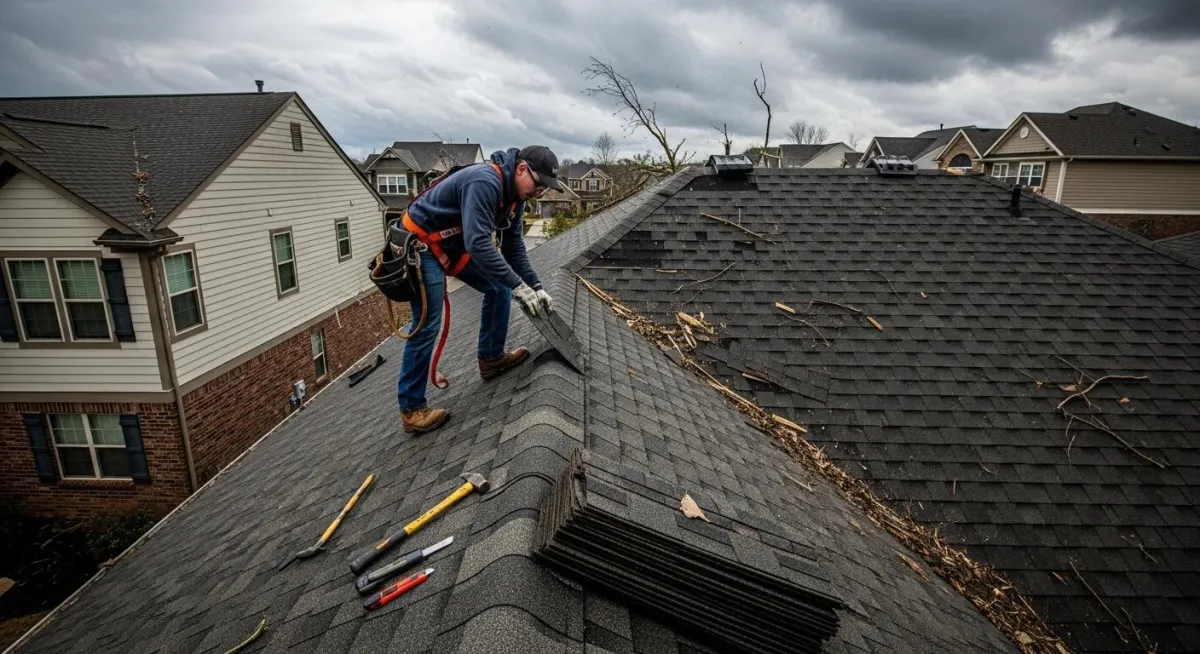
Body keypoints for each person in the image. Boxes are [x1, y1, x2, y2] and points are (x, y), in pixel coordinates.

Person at [393, 145, 559, 434]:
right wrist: (518, 285)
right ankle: (411, 408)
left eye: (545, 188)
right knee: (429, 322)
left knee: (498, 287)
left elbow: (513, 247)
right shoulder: (485, 181)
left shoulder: (515, 197)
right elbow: (478, 243)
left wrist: (536, 286)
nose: (540, 192)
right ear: (521, 169)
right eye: (539, 183)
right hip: (421, 243)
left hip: (451, 245)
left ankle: (491, 358)